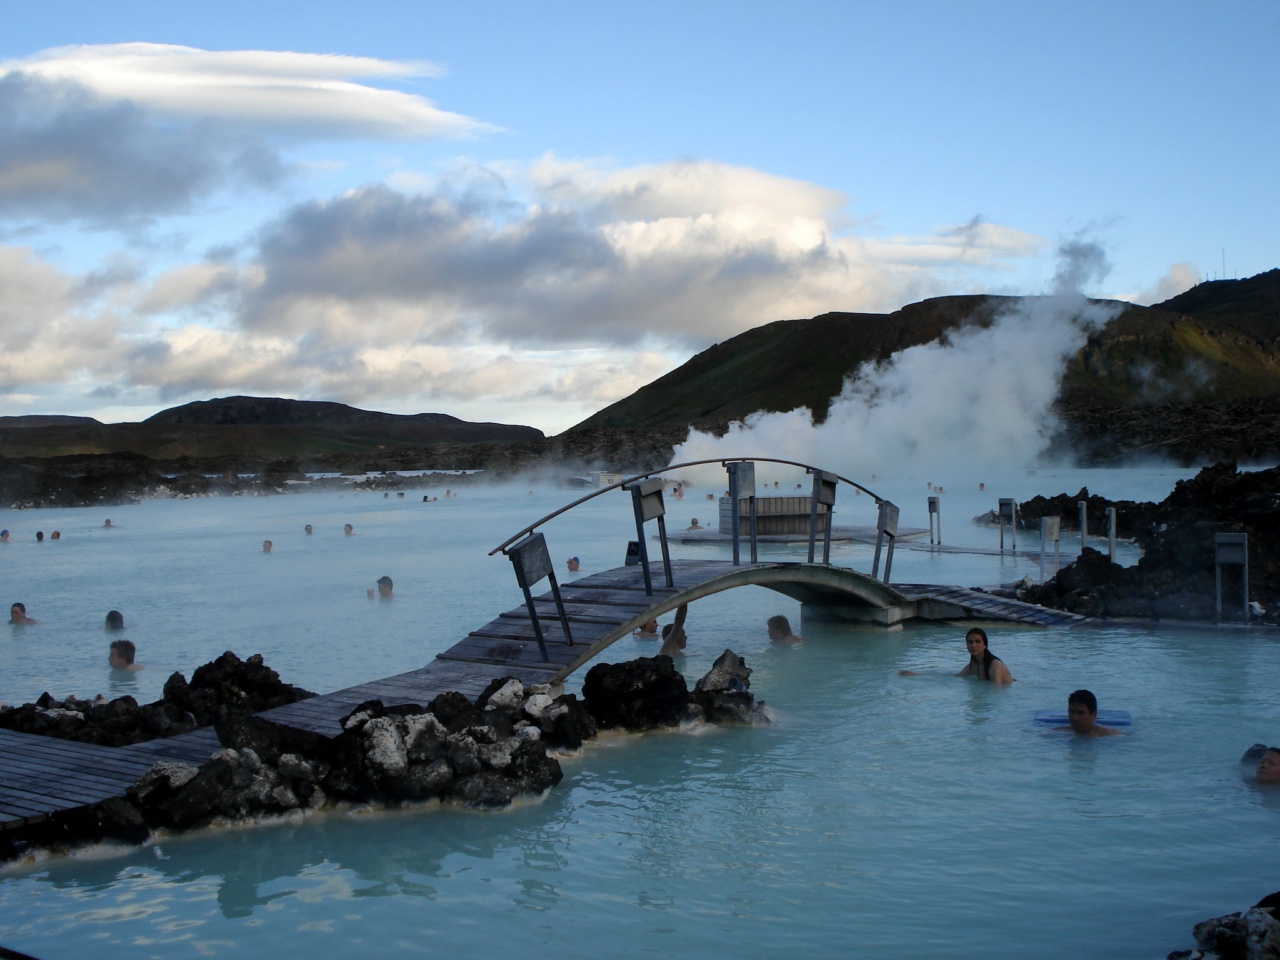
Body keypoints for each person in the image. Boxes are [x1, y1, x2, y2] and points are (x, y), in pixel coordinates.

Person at [1056, 689, 1123, 737]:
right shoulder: (1058, 732)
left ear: (1094, 715)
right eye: (1072, 712)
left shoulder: (1112, 736)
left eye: (1081, 713)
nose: (1075, 718)